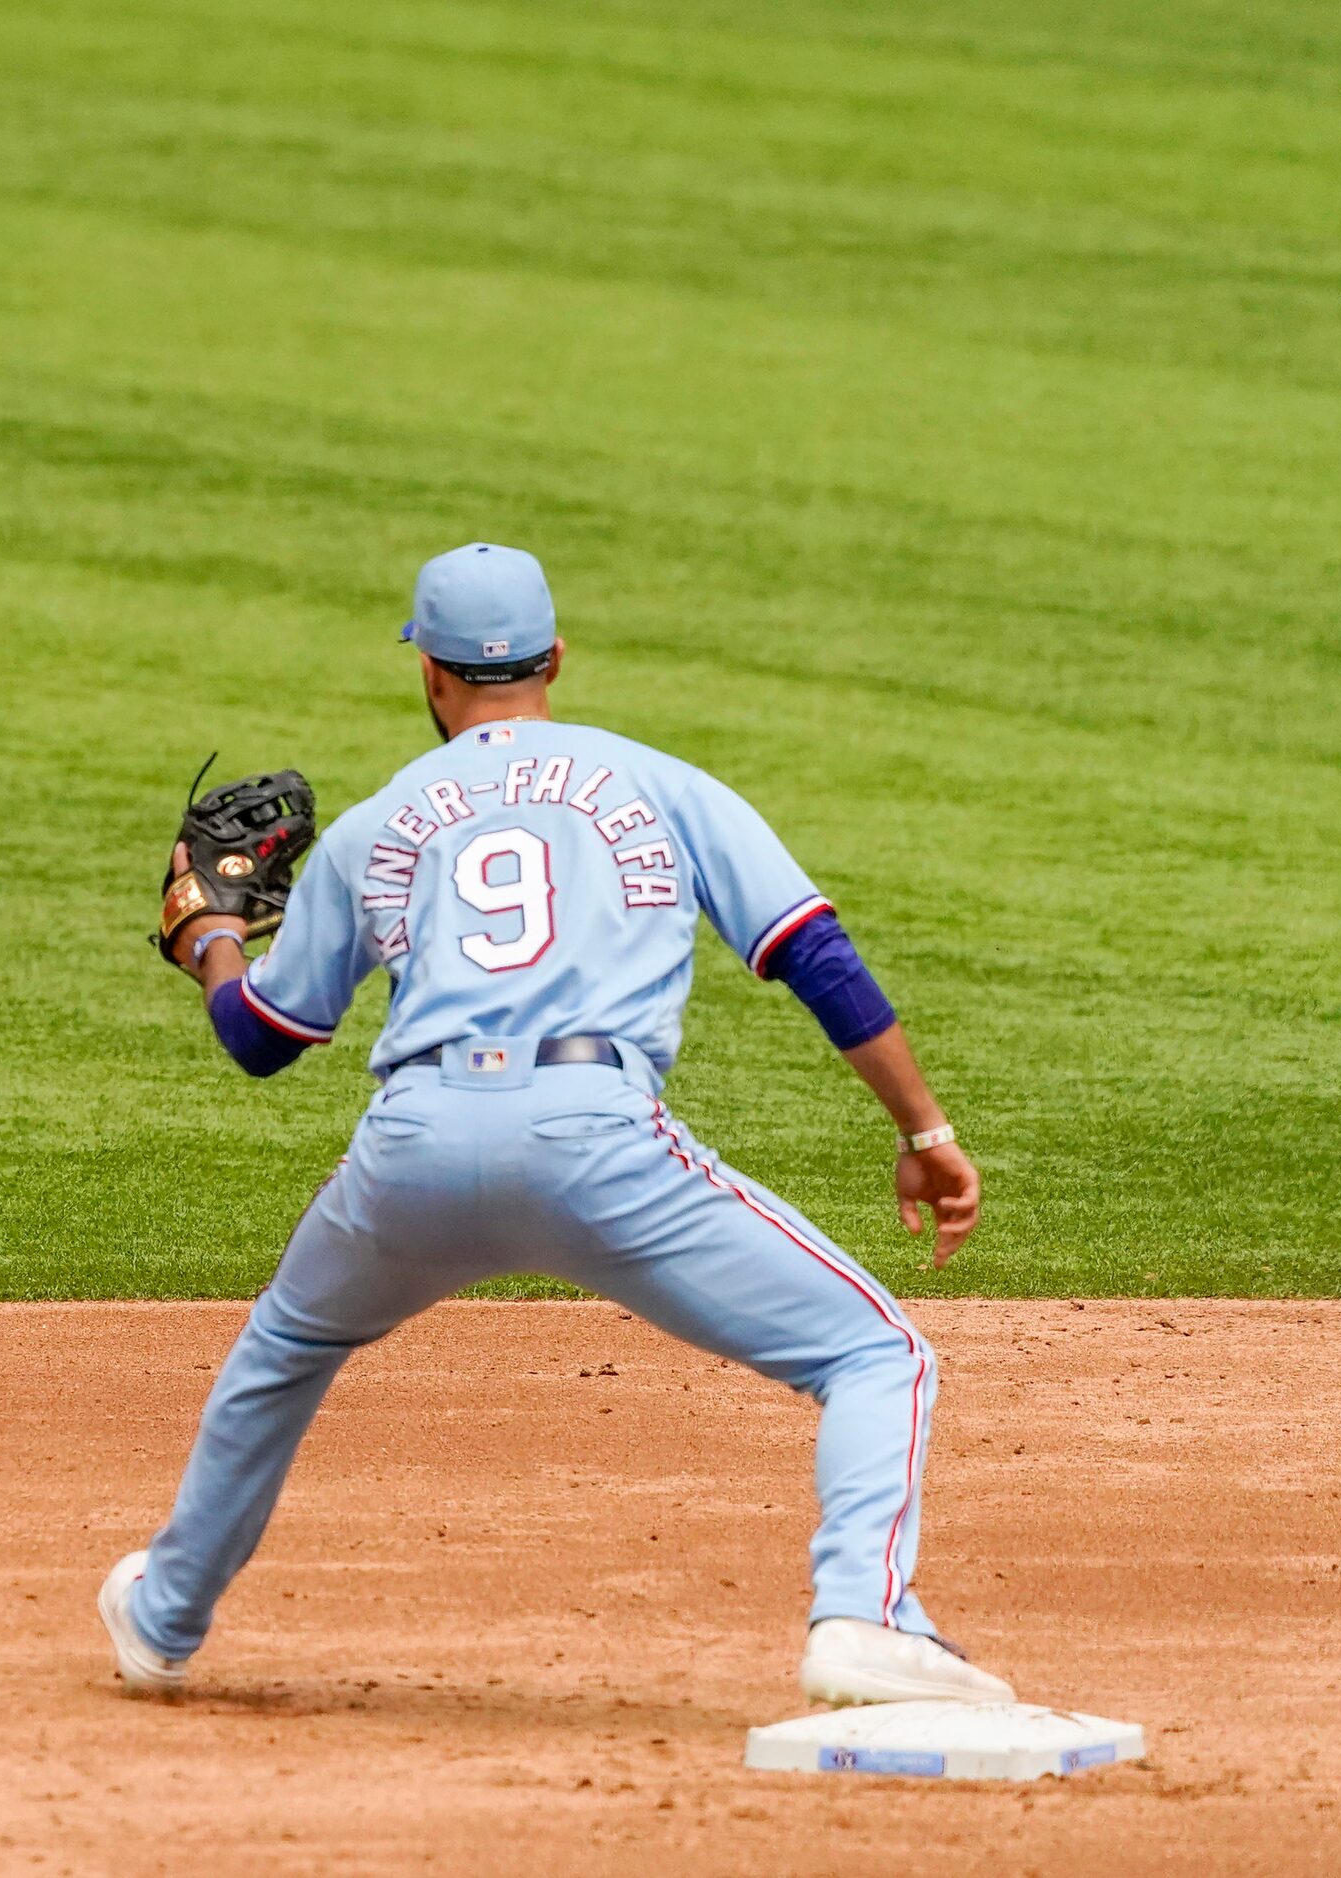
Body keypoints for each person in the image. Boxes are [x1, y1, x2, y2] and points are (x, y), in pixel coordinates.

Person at [98, 542, 1014, 1708]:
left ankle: (166, 1617)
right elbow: (813, 957)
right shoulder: (663, 782)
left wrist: (206, 941)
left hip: (413, 1146)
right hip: (597, 1146)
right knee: (875, 1352)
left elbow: (263, 1037)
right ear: (556, 660)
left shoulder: (384, 820)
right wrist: (927, 1135)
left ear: (429, 672)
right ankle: (864, 1616)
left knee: (285, 1349)